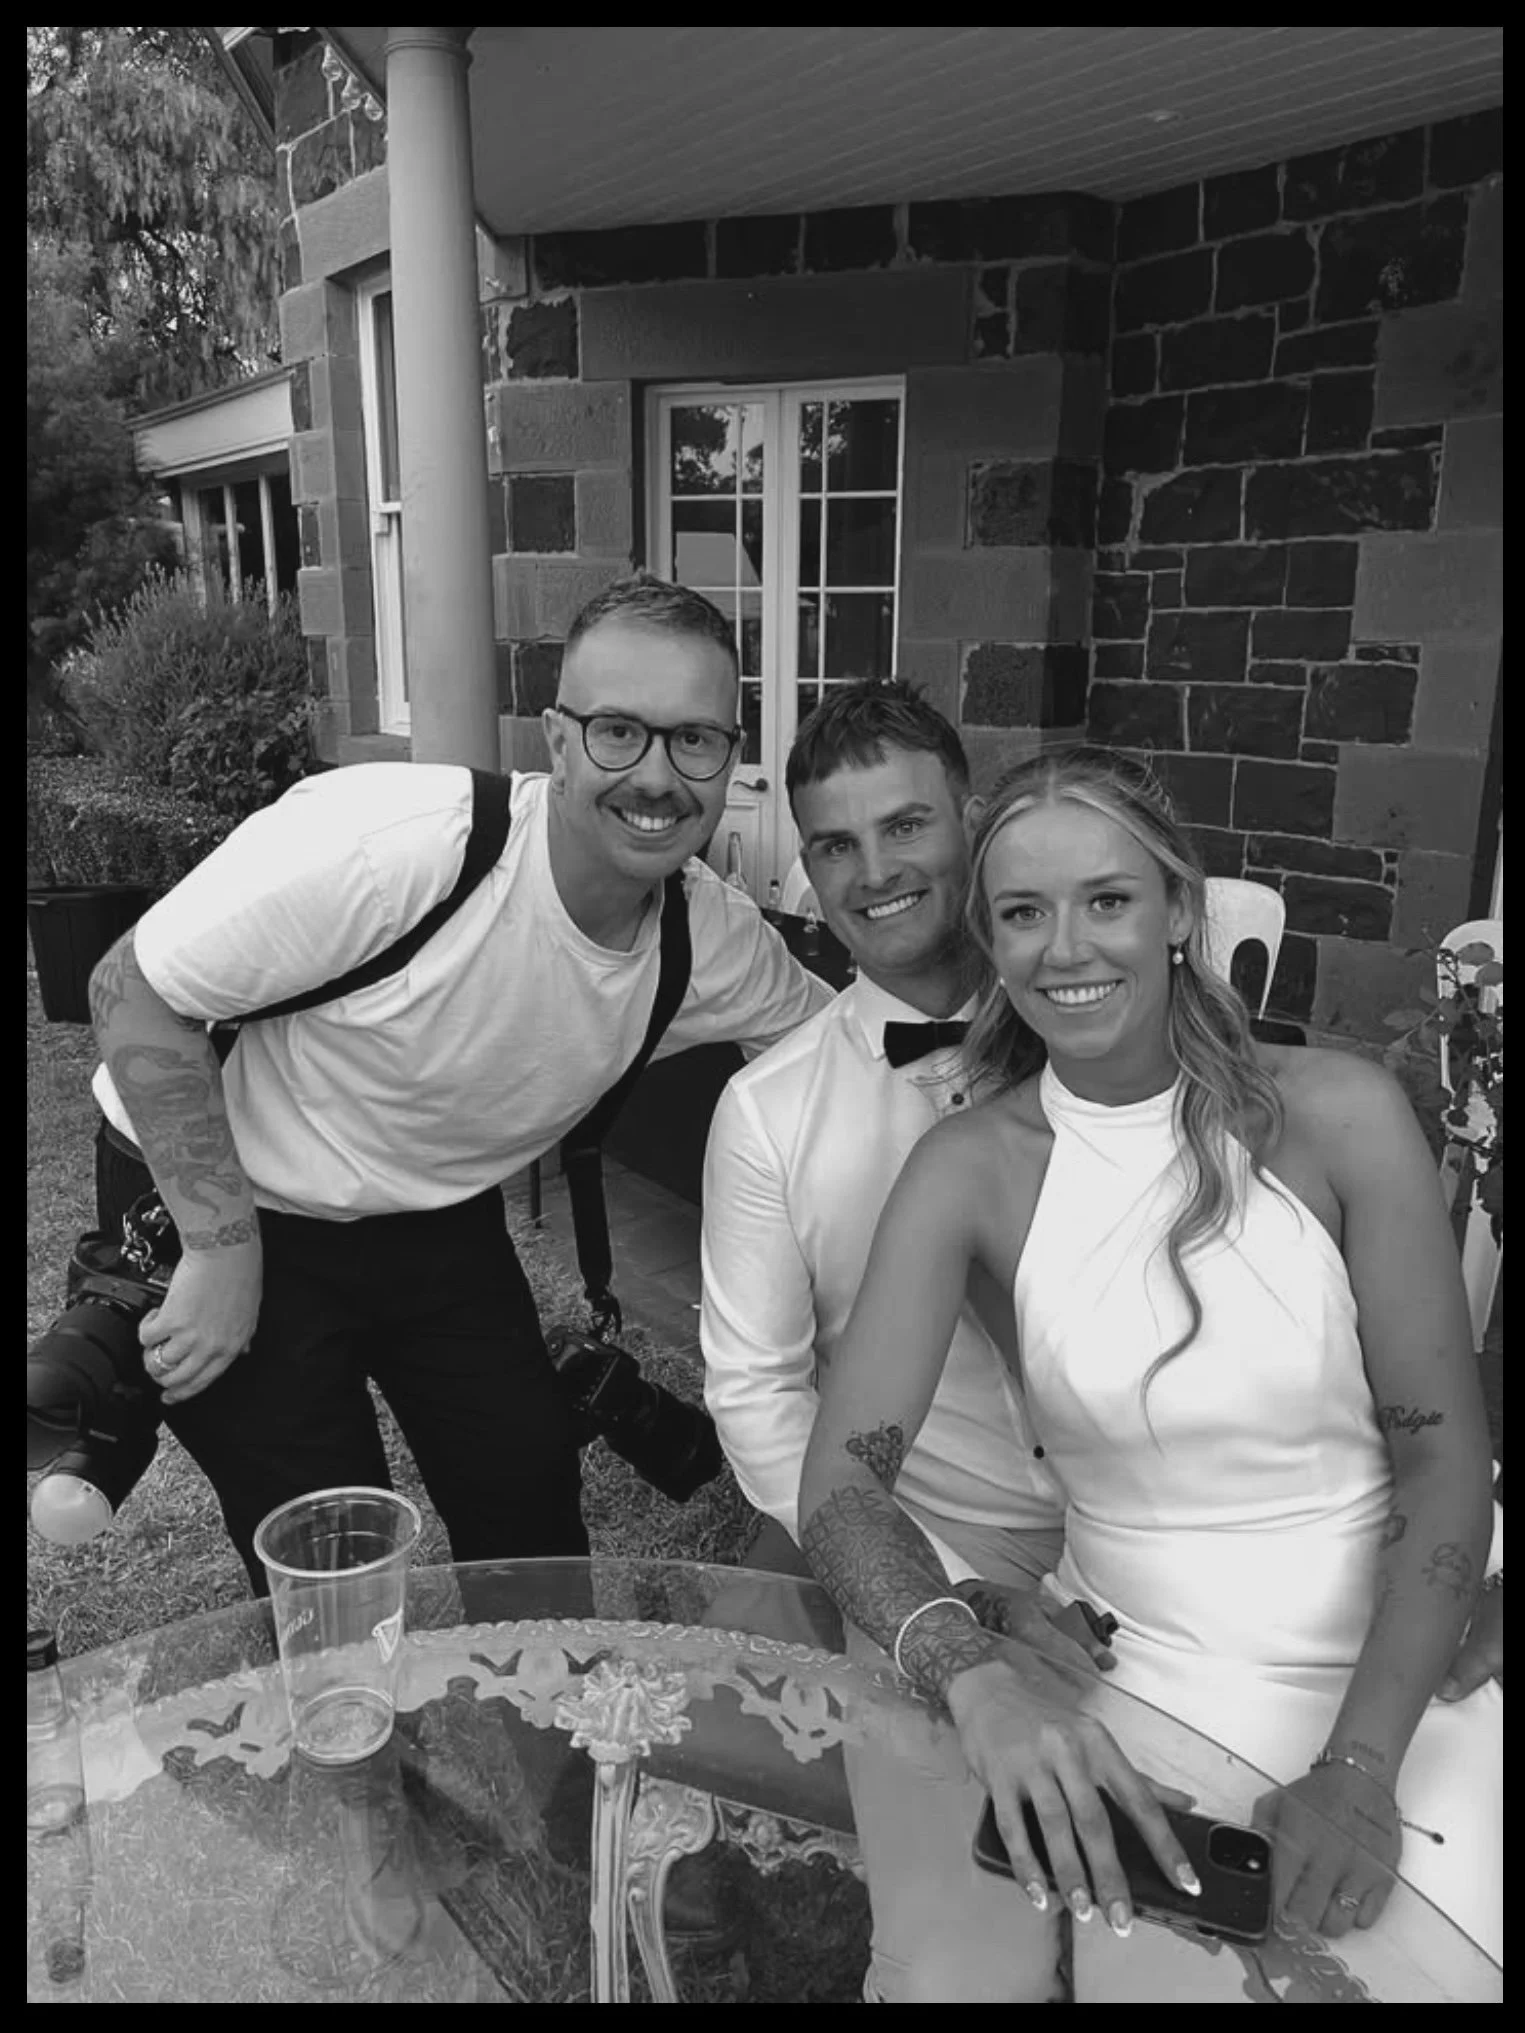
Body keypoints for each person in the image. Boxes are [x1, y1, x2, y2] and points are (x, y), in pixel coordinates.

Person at [798, 746, 1503, 1981]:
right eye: (1022, 912)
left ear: (1180, 910)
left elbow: (1444, 1452)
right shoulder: (967, 1170)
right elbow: (843, 1487)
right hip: (1150, 1673)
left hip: (1408, 1663)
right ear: (992, 937)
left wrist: (1356, 1768)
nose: (1064, 948)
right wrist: (975, 1677)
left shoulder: (1338, 1116)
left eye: (1106, 900)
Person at [86, 572, 833, 1591]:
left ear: (730, 757)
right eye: (619, 730)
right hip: (227, 1189)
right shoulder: (398, 846)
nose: (657, 775)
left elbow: (840, 1059)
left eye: (694, 738)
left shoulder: (712, 940)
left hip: (432, 1213)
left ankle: (537, 1737)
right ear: (556, 738)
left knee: (524, 1497)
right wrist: (220, 1248)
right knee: (330, 1550)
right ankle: (352, 1738)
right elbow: (130, 988)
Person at [701, 686, 1178, 2002]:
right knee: (948, 1970)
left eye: (905, 821)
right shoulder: (768, 1112)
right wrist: (948, 1590)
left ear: (973, 819)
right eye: (835, 843)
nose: (873, 871)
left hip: (1174, 1527)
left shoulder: (1129, 1038)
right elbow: (753, 1393)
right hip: (927, 1545)